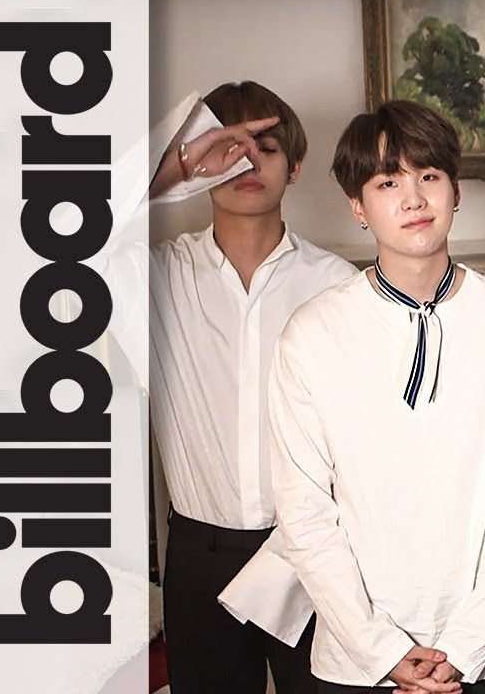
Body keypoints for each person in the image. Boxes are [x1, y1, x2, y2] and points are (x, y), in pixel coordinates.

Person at [270, 99, 485, 694]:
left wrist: (464, 646)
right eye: (388, 182)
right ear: (358, 207)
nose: (413, 199)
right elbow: (305, 511)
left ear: (456, 190)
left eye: (429, 176)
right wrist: (381, 650)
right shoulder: (312, 333)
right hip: (356, 658)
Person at [150, 81, 357, 694]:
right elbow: (60, 238)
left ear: (295, 167)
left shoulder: (337, 284)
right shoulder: (157, 273)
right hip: (199, 556)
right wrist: (177, 167)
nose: (245, 164)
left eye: (264, 149)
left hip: (314, 549)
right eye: (226, 150)